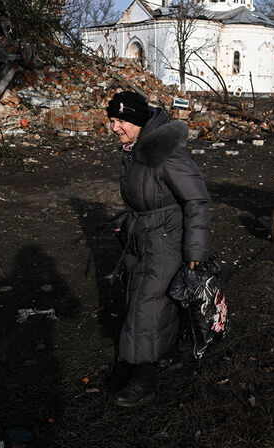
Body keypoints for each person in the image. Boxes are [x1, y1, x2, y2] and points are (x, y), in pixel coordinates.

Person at [105, 91, 211, 407]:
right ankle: (168, 354)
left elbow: (196, 199)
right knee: (148, 299)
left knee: (146, 305)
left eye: (120, 120)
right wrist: (128, 226)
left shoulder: (165, 152)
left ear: (138, 120)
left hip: (167, 238)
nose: (114, 127)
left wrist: (195, 252)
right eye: (111, 120)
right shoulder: (133, 148)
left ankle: (143, 378)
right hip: (143, 236)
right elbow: (145, 197)